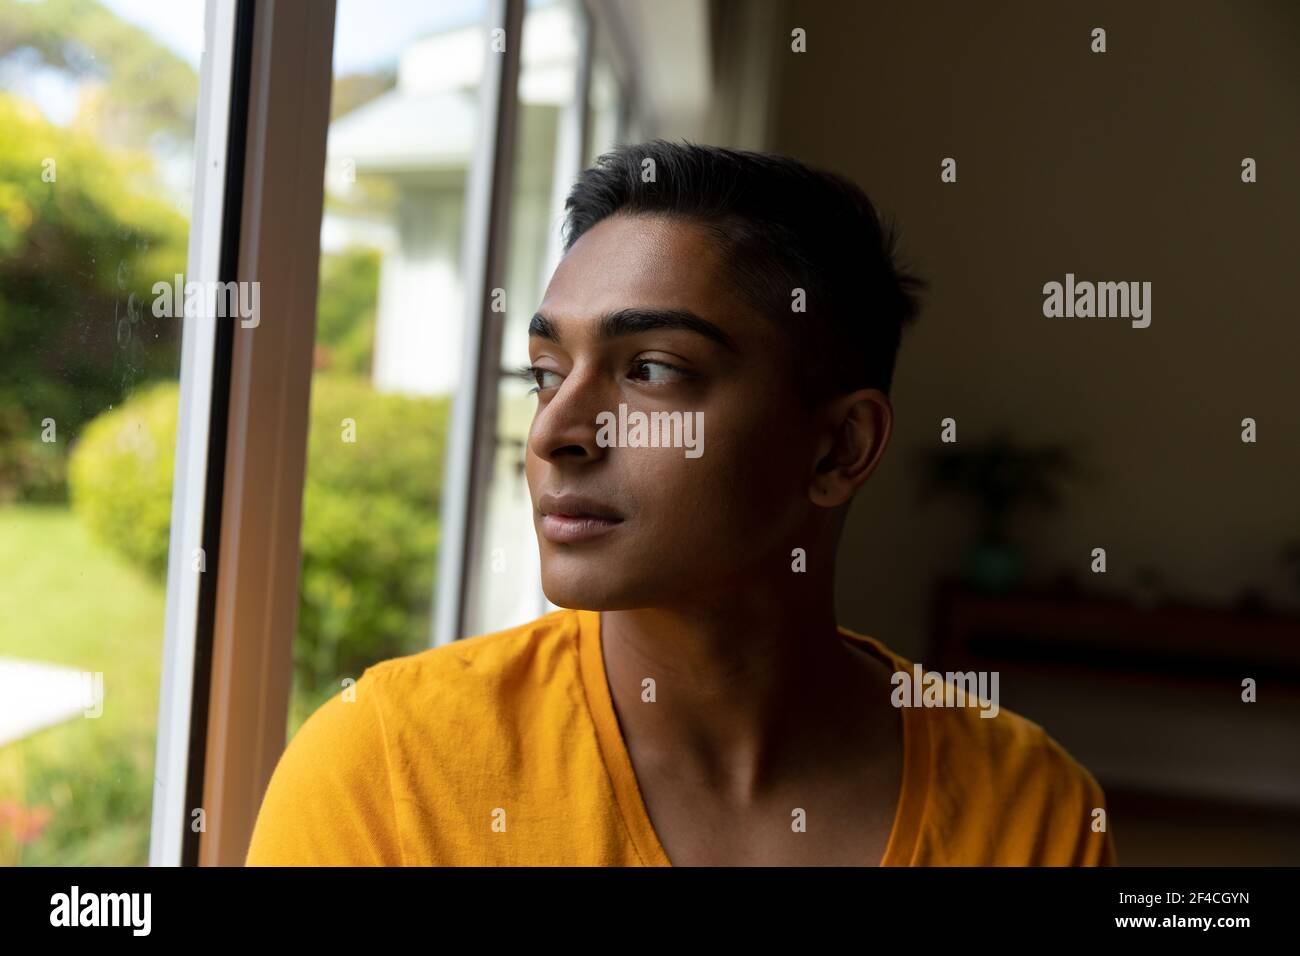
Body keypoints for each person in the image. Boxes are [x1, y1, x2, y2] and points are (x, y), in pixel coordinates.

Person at [245, 140, 1116, 866]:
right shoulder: (391, 767)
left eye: (653, 370)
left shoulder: (1032, 816)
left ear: (839, 448)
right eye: (546, 375)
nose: (556, 433)